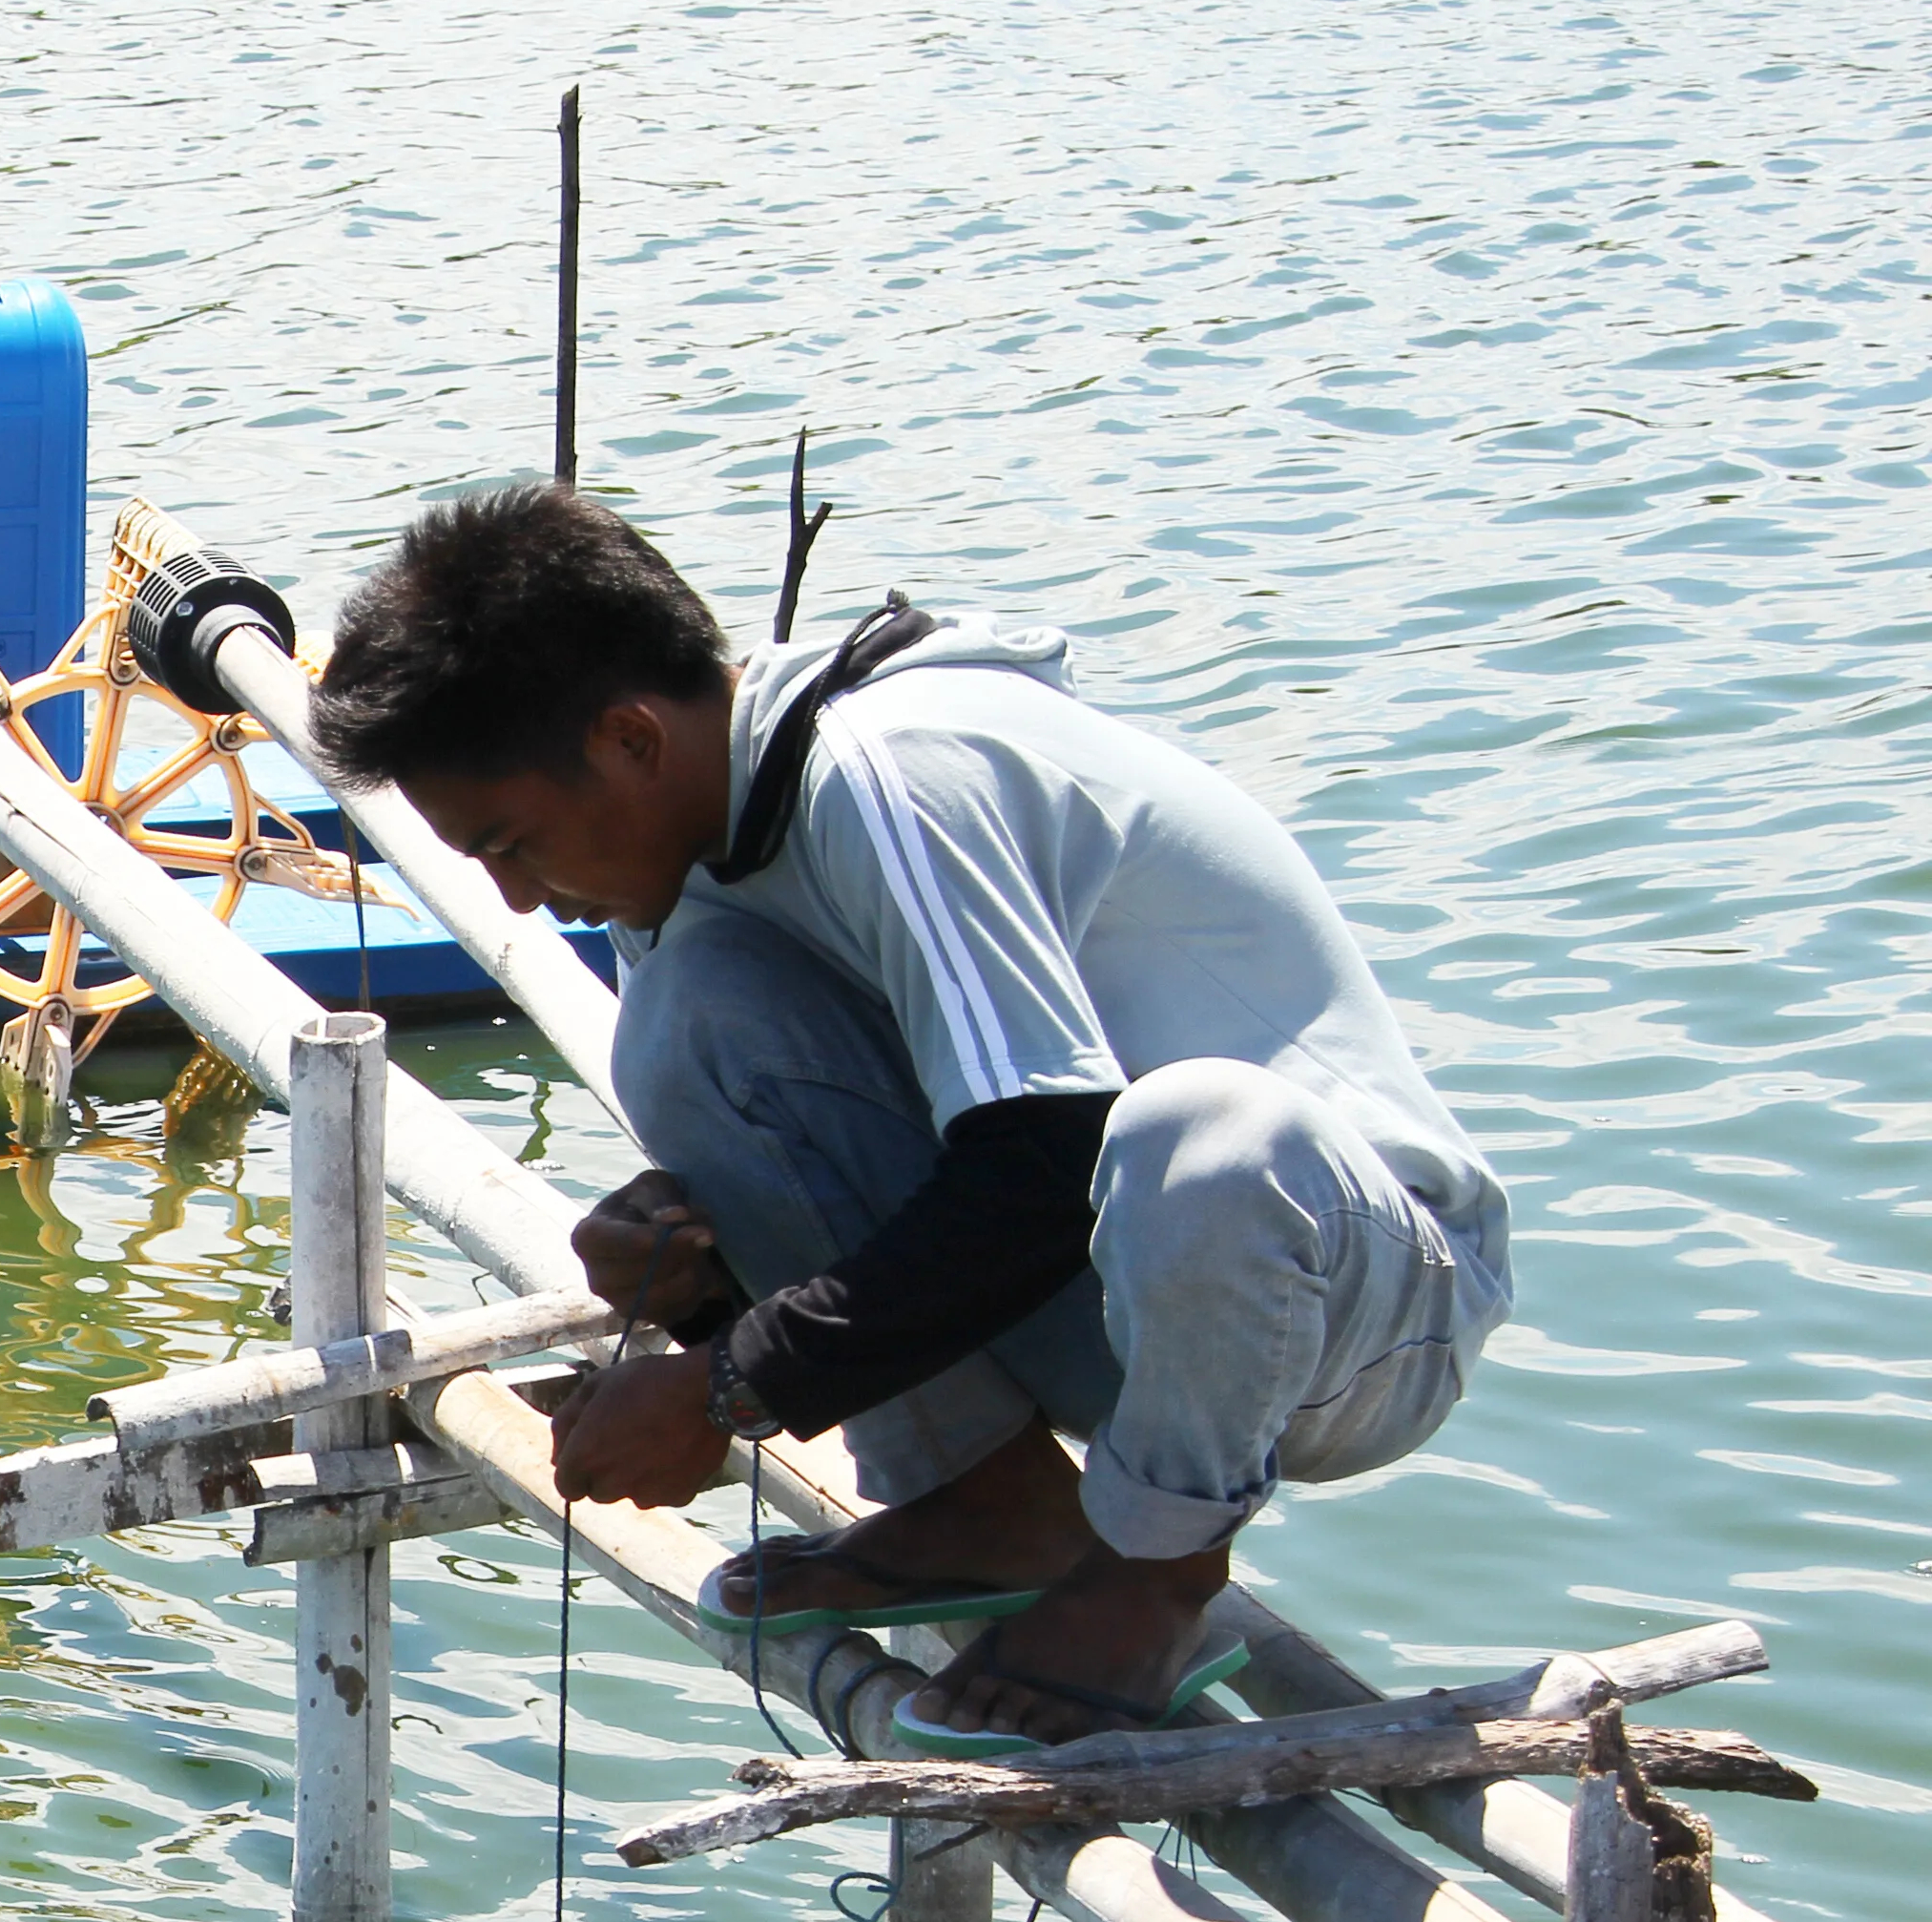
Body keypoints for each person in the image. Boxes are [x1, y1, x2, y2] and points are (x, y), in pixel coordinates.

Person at [301, 482, 1511, 1749]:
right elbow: (926, 1184)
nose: (523, 900)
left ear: (631, 742)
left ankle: (1159, 1571)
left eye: (514, 844)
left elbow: (1041, 1161)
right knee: (688, 1029)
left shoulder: (890, 770)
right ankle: (991, 1505)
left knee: (1202, 1136)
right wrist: (699, 1280)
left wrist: (728, 1388)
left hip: (1359, 1305)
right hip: (1123, 1292)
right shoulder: (689, 864)